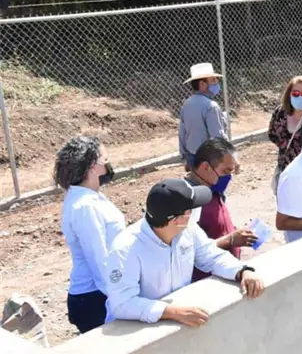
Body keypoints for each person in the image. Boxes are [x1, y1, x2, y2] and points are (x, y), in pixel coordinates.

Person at [105, 178, 265, 327]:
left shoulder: (188, 229)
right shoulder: (125, 248)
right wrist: (170, 312)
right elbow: (122, 303)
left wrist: (242, 271)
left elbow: (211, 256)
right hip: (136, 332)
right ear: (176, 220)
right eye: (191, 209)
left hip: (174, 325)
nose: (196, 211)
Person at [55, 136, 126, 334]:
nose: (109, 166)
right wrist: (118, 297)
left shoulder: (89, 197)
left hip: (99, 294)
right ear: (92, 167)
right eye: (105, 160)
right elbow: (98, 258)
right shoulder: (84, 207)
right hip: (95, 297)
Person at [185, 138, 258, 282]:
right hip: (206, 282)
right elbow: (188, 252)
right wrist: (229, 240)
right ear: (205, 167)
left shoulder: (213, 189)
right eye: (226, 171)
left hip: (227, 273)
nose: (229, 177)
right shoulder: (188, 201)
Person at [178, 63, 228, 169]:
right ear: (202, 84)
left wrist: (185, 158)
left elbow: (182, 134)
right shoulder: (211, 106)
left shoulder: (186, 105)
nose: (217, 84)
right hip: (209, 160)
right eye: (213, 80)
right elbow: (217, 136)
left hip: (192, 157)